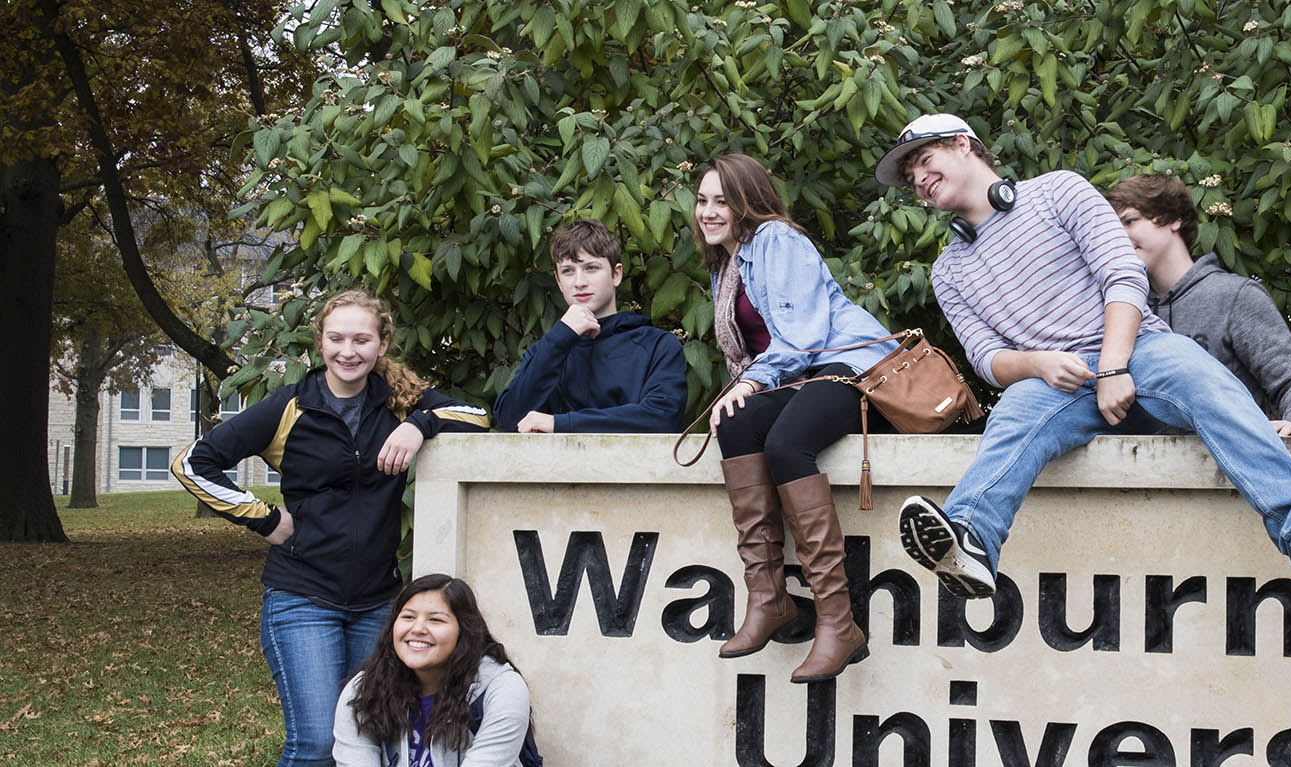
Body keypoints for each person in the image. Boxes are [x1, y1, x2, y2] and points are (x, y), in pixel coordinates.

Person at [873, 113, 1291, 599]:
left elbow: (1123, 276)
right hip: (1057, 382)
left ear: (963, 144)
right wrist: (1037, 364)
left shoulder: (1059, 191)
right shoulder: (948, 270)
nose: (916, 178)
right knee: (1013, 415)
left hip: (1139, 347)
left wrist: (1113, 365)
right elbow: (986, 358)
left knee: (1205, 380)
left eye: (923, 158)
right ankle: (971, 543)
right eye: (908, 175)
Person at [171, 290, 491, 766]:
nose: (348, 350)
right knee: (317, 744)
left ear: (382, 345)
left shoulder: (399, 404)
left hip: (377, 604)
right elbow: (193, 464)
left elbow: (479, 417)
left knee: (370, 739)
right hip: (303, 599)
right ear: (319, 342)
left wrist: (418, 425)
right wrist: (266, 519)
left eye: (362, 339)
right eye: (336, 338)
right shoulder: (290, 406)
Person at [698, 153, 899, 682]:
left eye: (723, 200)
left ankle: (838, 622)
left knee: (786, 441)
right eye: (702, 200)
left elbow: (802, 336)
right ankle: (768, 596)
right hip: (798, 376)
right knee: (737, 424)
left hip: (851, 366)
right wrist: (745, 390)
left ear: (748, 200)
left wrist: (748, 383)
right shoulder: (727, 265)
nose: (710, 211)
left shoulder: (776, 241)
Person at [1106, 173, 1291, 436]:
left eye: (1130, 221)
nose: (1119, 237)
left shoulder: (1235, 296)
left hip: (1224, 470)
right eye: (1113, 230)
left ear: (1174, 219)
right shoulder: (1117, 309)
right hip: (1136, 473)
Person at [493, 219, 687, 433]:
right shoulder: (547, 350)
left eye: (591, 268)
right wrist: (561, 338)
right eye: (568, 271)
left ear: (616, 274)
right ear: (558, 281)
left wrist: (560, 423)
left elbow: (662, 417)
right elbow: (510, 419)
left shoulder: (657, 345)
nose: (579, 282)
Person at [333, 574, 535, 767]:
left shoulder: (502, 689)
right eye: (408, 617)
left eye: (435, 620)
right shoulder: (364, 690)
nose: (418, 628)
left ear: (464, 632)